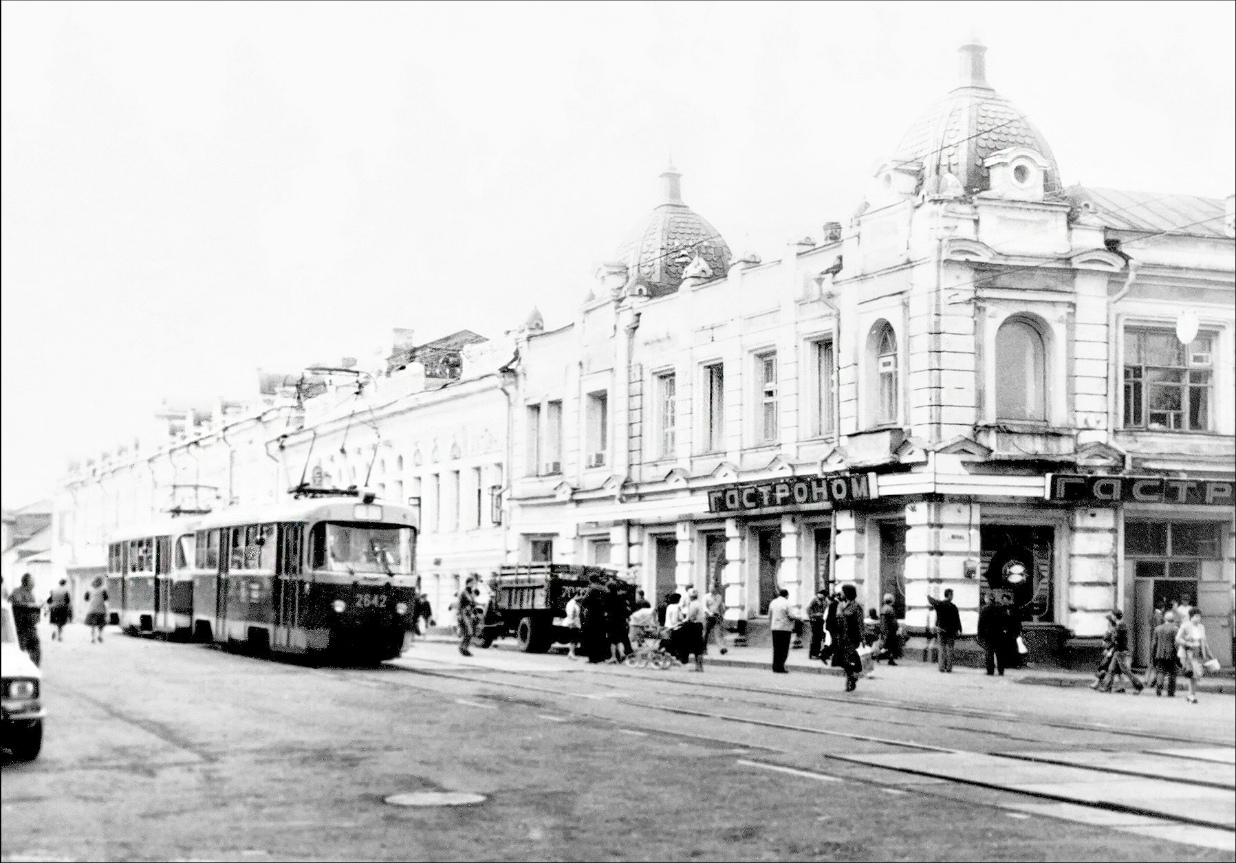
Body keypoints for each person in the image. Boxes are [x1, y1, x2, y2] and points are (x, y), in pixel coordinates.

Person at [1093, 610, 1142, 694]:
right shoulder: (1120, 626)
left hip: (1120, 652)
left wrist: (1109, 650)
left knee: (1125, 670)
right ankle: (1106, 687)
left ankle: (1139, 685)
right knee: (1111, 669)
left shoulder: (1120, 627)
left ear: (1115, 616)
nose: (1111, 617)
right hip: (1118, 651)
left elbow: (1116, 641)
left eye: (1112, 615)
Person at [1176, 607, 1213, 705]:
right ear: (1191, 617)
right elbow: (1178, 639)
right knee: (1193, 674)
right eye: (1196, 616)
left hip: (1198, 652)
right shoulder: (1185, 626)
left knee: (1195, 675)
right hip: (1187, 653)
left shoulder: (1201, 627)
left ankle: (1191, 695)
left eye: (1199, 617)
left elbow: (1204, 642)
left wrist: (1210, 654)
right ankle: (1192, 696)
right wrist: (1188, 644)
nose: (1198, 618)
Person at [838, 584, 865, 692]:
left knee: (849, 657)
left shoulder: (856, 606)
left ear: (847, 593)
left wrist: (863, 638)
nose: (841, 593)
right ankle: (853, 675)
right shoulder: (841, 605)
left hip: (852, 636)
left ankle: (851, 679)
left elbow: (860, 623)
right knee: (841, 659)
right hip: (842, 636)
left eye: (842, 591)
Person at [10, 574, 42, 666]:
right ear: (26, 582)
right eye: (32, 581)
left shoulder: (30, 594)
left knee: (36, 650)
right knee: (20, 651)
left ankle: (33, 671)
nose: (34, 584)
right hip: (21, 628)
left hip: (30, 627)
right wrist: (32, 606)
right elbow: (18, 604)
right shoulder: (17, 592)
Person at [1146, 610, 1180, 697]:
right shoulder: (1176, 629)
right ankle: (1171, 692)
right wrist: (1178, 655)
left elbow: (1154, 644)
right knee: (1172, 673)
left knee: (1160, 672)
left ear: (1165, 619)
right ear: (1173, 619)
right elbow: (1177, 644)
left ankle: (1159, 689)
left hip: (1159, 654)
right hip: (1172, 654)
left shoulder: (1158, 628)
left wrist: (1152, 656)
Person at [927, 588, 962, 673]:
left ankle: (942, 667)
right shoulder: (953, 607)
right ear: (949, 595)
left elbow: (931, 601)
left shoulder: (940, 604)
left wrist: (928, 595)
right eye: (952, 595)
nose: (952, 597)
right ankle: (949, 667)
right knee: (950, 649)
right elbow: (957, 619)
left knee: (941, 648)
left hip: (941, 630)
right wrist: (960, 629)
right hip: (951, 631)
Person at [582, 575, 611, 663]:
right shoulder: (604, 588)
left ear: (590, 580)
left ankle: (593, 658)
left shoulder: (591, 588)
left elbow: (585, 601)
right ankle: (601, 657)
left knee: (591, 636)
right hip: (602, 615)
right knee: (601, 636)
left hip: (592, 615)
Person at [768, 588, 797, 674]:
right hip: (785, 628)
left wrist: (771, 625)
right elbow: (791, 616)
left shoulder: (773, 602)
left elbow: (769, 615)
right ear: (787, 595)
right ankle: (780, 667)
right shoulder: (787, 603)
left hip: (775, 628)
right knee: (784, 649)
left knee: (776, 648)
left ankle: (775, 666)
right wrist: (797, 618)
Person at [679, 587, 707, 672]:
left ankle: (697, 666)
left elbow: (691, 616)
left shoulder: (693, 605)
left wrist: (683, 621)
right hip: (699, 625)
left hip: (694, 626)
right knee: (698, 647)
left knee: (695, 647)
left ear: (690, 597)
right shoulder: (698, 603)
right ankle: (699, 666)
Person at [604, 581, 630, 664]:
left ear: (608, 588)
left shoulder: (608, 597)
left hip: (612, 621)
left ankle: (613, 657)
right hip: (621, 621)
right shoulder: (620, 597)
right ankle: (622, 654)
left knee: (612, 640)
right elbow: (625, 610)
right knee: (618, 639)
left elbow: (606, 609)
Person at [456, 576, 477, 656]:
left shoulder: (470, 593)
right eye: (472, 583)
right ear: (468, 583)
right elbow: (460, 604)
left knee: (469, 633)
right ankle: (463, 648)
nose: (473, 584)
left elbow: (472, 604)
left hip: (469, 614)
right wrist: (459, 615)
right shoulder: (464, 593)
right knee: (469, 632)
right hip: (464, 614)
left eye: (473, 583)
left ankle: (464, 648)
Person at [703, 587, 728, 655]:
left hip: (717, 616)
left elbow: (720, 606)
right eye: (711, 588)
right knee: (706, 633)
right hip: (709, 617)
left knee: (718, 633)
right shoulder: (706, 597)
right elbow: (704, 607)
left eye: (714, 589)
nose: (713, 590)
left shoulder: (719, 597)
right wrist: (710, 613)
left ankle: (722, 648)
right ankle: (703, 649)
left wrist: (722, 615)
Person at [879, 594, 902, 666]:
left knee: (886, 645)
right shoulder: (890, 609)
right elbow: (893, 621)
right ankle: (888, 659)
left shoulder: (883, 608)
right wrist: (897, 628)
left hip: (883, 629)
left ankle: (888, 659)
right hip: (890, 630)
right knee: (891, 646)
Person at [663, 591, 685, 663]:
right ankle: (678, 657)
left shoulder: (669, 606)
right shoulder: (677, 608)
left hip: (667, 627)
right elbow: (677, 620)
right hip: (674, 627)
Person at [823, 591, 844, 666]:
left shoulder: (836, 604)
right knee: (836, 643)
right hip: (833, 627)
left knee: (836, 643)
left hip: (833, 626)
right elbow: (833, 617)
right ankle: (825, 655)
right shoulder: (835, 604)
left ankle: (835, 661)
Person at [807, 589, 828, 660]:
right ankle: (813, 654)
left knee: (819, 638)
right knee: (815, 638)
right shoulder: (815, 600)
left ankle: (817, 653)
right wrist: (812, 616)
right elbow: (808, 609)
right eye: (824, 596)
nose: (824, 597)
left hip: (821, 620)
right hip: (815, 620)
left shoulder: (824, 600)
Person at [563, 592, 583, 660]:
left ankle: (571, 653)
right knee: (574, 638)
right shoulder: (572, 604)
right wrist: (573, 622)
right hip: (573, 622)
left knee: (574, 639)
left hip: (575, 622)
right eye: (578, 595)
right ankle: (571, 653)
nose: (580, 597)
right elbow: (571, 614)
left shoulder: (574, 603)